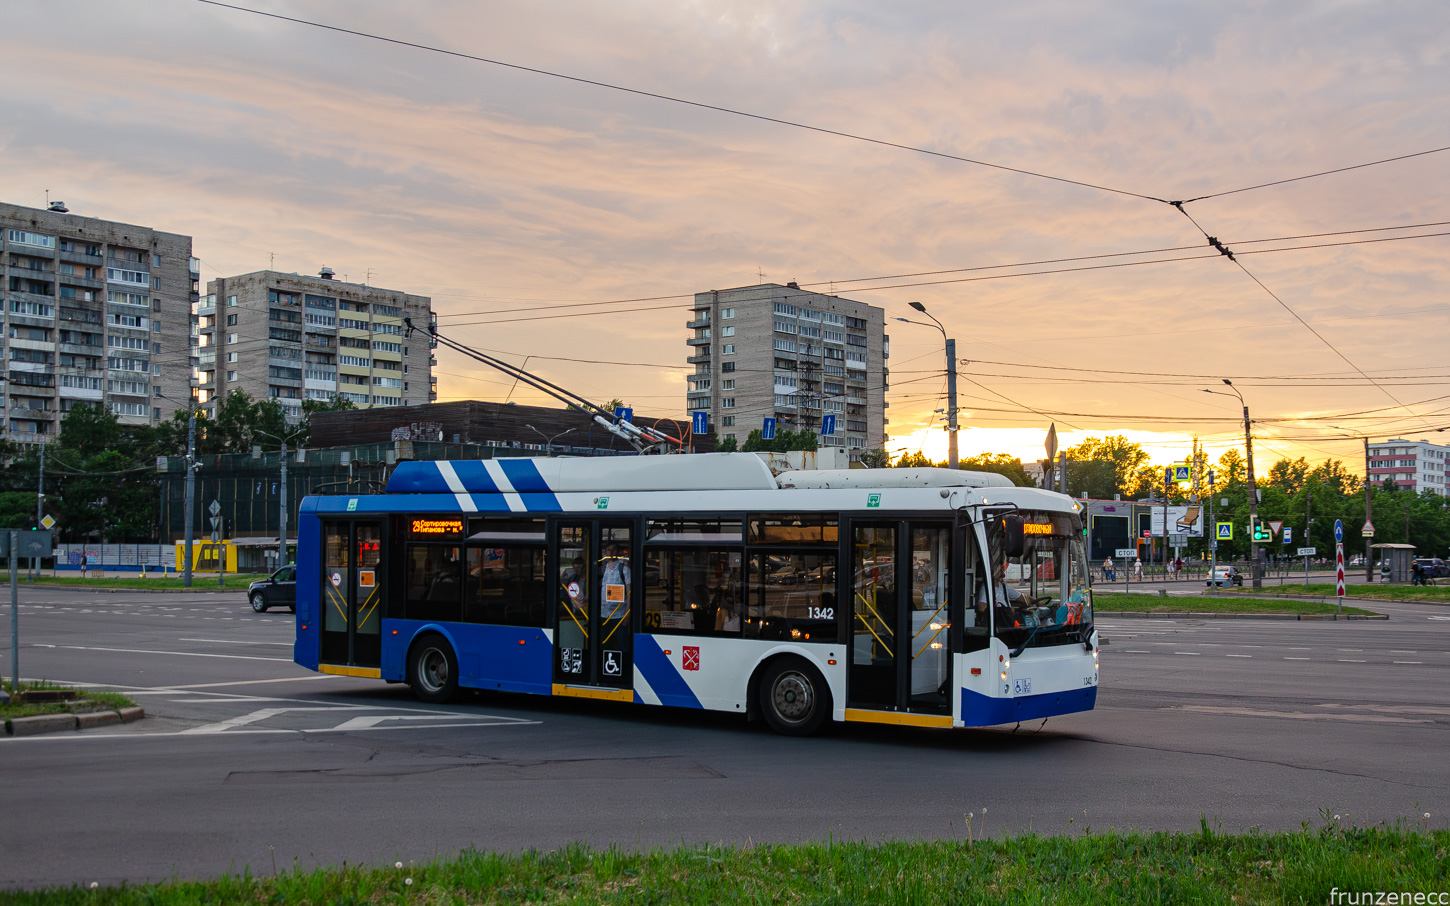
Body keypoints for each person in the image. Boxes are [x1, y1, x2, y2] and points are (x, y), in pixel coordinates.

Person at [599, 543, 631, 621]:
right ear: (605, 552)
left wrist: (627, 614)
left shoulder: (624, 569)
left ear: (618, 552)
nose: (611, 552)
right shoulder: (602, 570)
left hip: (619, 614)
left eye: (614, 550)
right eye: (609, 550)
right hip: (603, 613)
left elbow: (629, 593)